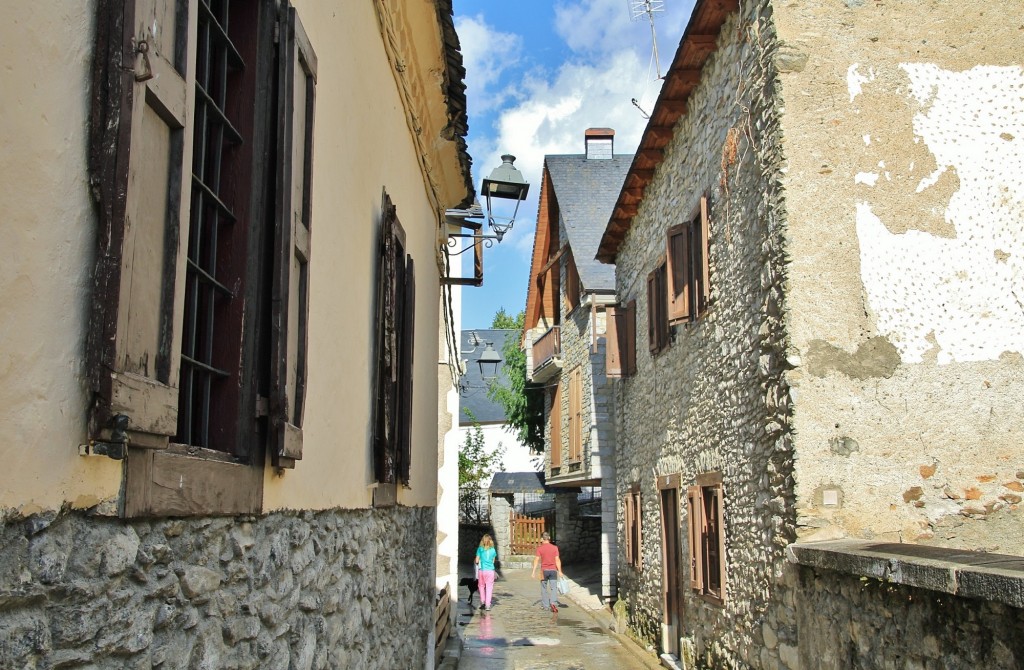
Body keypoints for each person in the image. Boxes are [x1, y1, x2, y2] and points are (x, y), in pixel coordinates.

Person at [530, 531, 563, 612]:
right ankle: (553, 602)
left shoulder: (540, 548)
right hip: (553, 570)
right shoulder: (555, 548)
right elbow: (557, 560)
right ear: (549, 538)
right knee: (554, 588)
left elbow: (536, 560)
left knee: (544, 588)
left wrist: (533, 572)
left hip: (544, 571)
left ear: (542, 539)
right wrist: (560, 571)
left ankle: (545, 606)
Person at [474, 534, 498, 611]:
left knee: (481, 586)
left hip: (482, 570)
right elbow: (493, 561)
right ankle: (488, 605)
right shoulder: (493, 550)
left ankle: (482, 601)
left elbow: (477, 561)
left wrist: (477, 562)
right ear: (490, 541)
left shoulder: (480, 549)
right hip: (490, 571)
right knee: (489, 587)